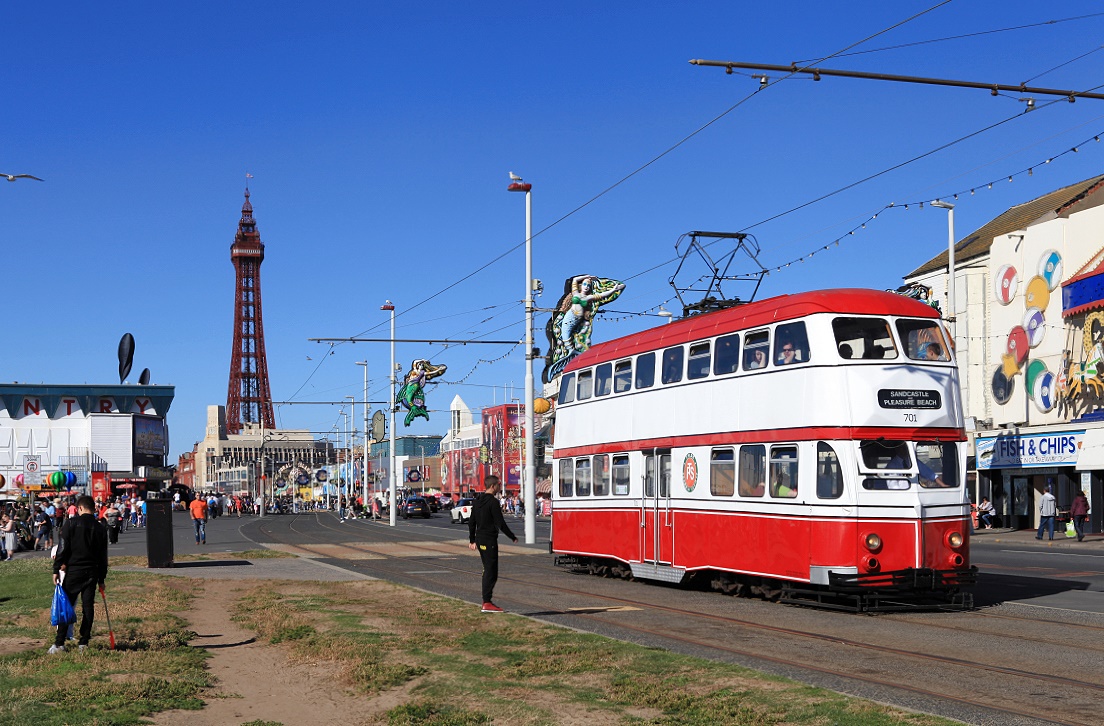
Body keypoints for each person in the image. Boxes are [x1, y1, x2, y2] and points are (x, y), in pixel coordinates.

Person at [49, 496, 108, 654]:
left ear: (79, 509)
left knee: (66, 605)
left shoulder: (71, 523)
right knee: (88, 606)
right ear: (93, 508)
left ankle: (60, 643)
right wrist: (102, 578)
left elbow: (63, 547)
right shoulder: (101, 528)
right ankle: (84, 641)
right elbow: (103, 556)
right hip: (92, 571)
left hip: (74, 570)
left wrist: (56, 569)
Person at [468, 475, 517, 613]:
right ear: (492, 486)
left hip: (480, 538)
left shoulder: (477, 502)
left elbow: (472, 523)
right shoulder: (493, 503)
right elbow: (500, 523)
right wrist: (512, 536)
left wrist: (472, 540)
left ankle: (487, 601)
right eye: (498, 485)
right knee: (491, 571)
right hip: (489, 540)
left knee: (487, 569)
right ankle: (487, 602)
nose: (499, 488)